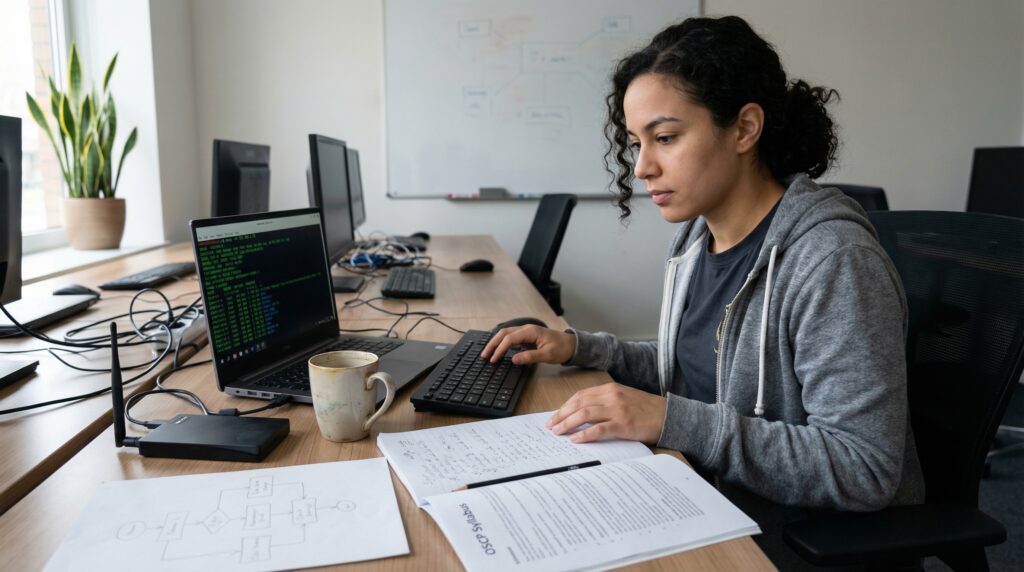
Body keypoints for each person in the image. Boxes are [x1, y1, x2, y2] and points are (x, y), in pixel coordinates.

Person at [481, 15, 924, 567]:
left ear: (743, 129)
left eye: (665, 138)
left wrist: (670, 420)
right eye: (636, 142)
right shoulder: (698, 241)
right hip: (702, 492)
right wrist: (580, 348)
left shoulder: (832, 261)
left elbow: (866, 468)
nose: (642, 166)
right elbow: (699, 368)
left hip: (793, 539)